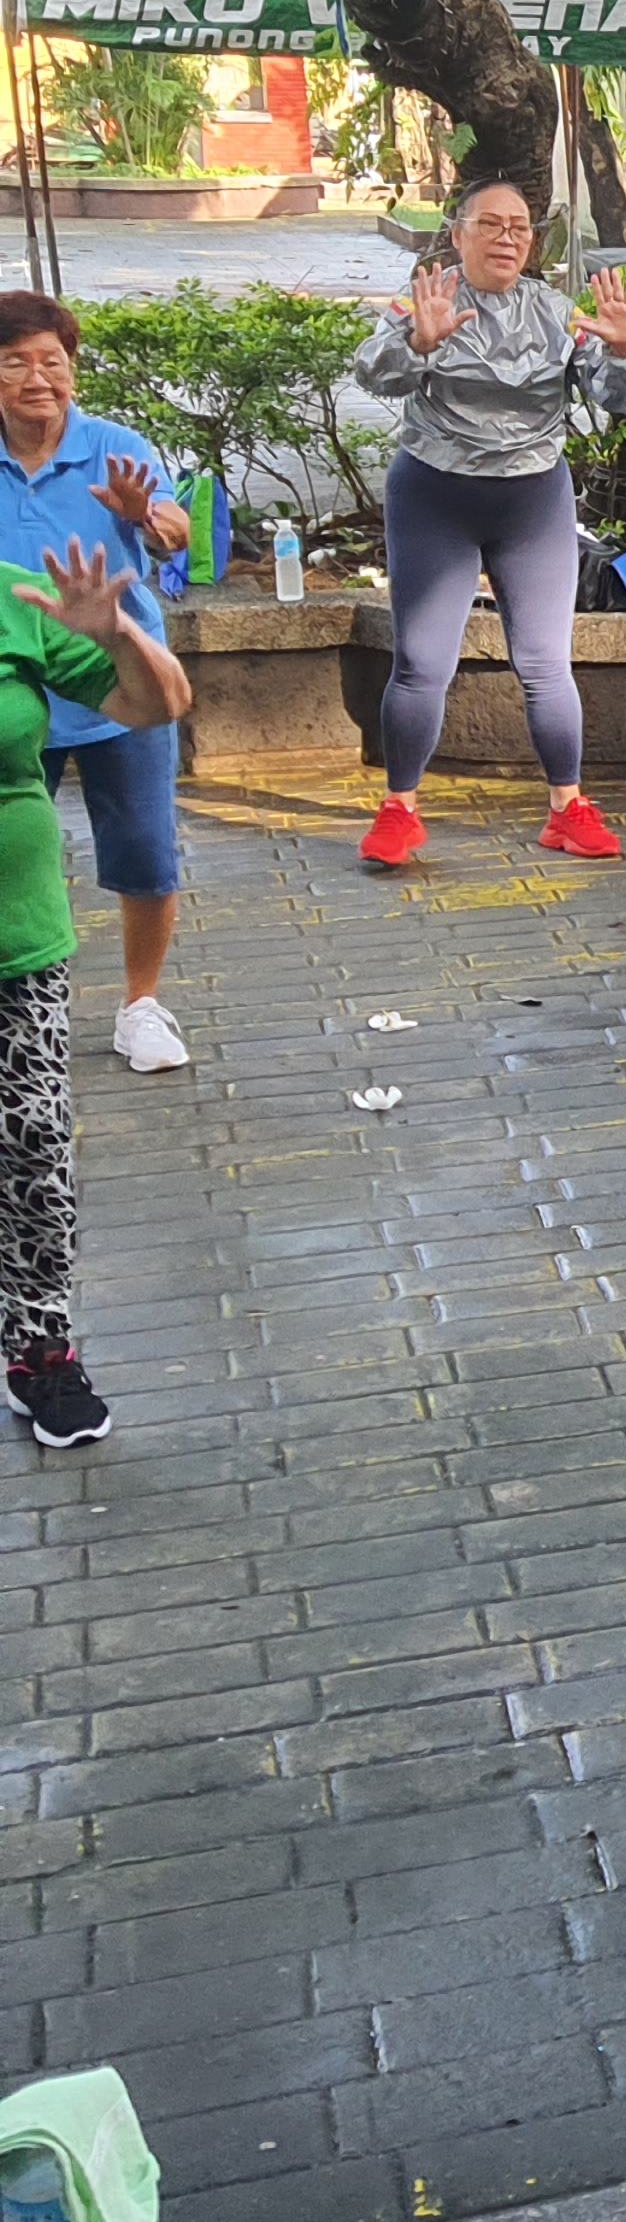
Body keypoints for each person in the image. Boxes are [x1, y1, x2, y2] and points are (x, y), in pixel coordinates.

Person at [352, 178, 626, 870]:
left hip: (530, 500)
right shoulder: (427, 297)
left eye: (520, 227)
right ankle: (399, 808)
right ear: (457, 235)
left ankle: (567, 808)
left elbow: (615, 397)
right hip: (435, 496)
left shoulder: (555, 312)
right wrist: (417, 344)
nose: (508, 238)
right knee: (423, 663)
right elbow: (373, 372)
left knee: (547, 663)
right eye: (491, 224)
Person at [0, 538, 189, 1445]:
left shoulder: (13, 602)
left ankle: (42, 1354)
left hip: (15, 940)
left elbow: (158, 705)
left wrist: (116, 635)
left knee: (33, 1156)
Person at [0, 296, 194, 1071]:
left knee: (146, 850)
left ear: (73, 368)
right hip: (17, 690)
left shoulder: (115, 446)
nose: (36, 378)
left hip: (116, 678)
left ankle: (141, 1005)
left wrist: (146, 517)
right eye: (15, 362)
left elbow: (176, 531)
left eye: (52, 361)